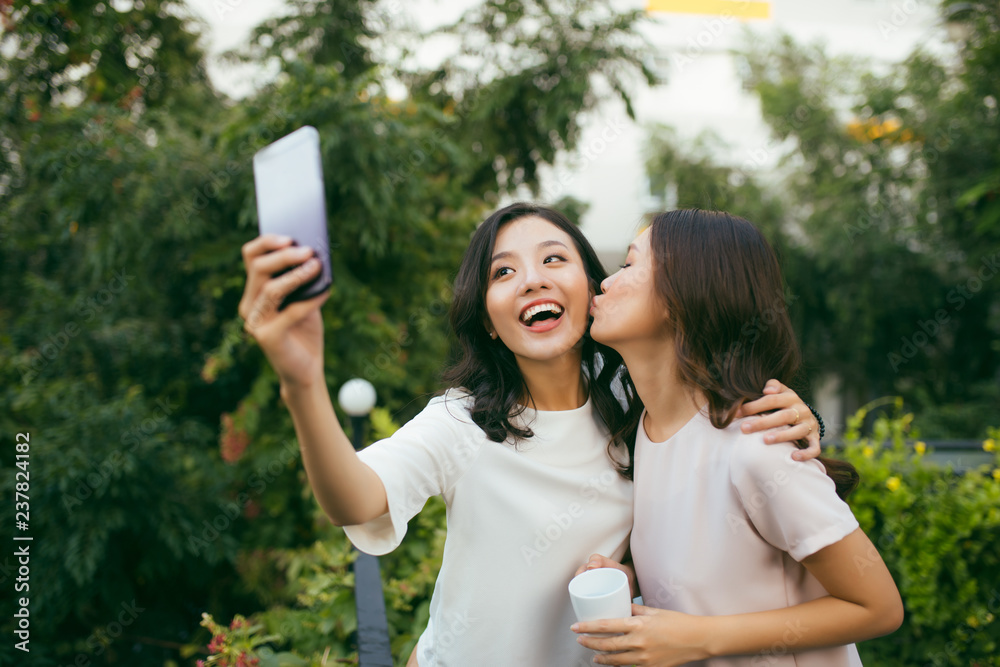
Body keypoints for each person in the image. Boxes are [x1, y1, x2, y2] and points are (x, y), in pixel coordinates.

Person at [237, 203, 822, 667]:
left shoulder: (634, 408)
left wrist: (794, 413)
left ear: (594, 289)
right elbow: (355, 499)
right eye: (503, 272)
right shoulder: (461, 421)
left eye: (553, 260)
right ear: (488, 322)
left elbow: (700, 487)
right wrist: (301, 384)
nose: (530, 282)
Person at [574, 209, 903, 666]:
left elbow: (878, 608)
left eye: (629, 265)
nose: (604, 284)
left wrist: (701, 637)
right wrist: (635, 581)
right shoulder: (643, 434)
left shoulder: (756, 446)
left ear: (679, 296)